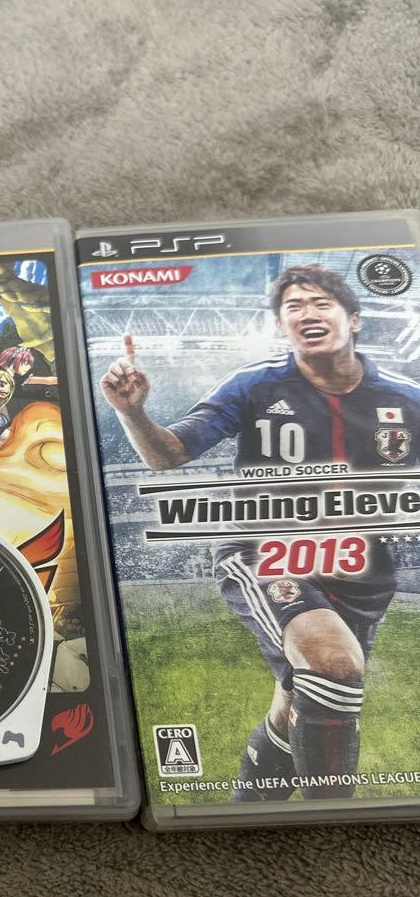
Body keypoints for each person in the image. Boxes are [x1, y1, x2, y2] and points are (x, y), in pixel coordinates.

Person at [100, 263, 420, 800]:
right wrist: (133, 414)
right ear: (281, 325)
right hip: (265, 551)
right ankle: (329, 822)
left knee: (299, 702)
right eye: (294, 306)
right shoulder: (255, 385)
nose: (307, 313)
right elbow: (168, 454)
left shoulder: (406, 398)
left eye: (320, 303)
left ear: (354, 319)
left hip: (361, 569)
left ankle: (243, 808)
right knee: (334, 666)